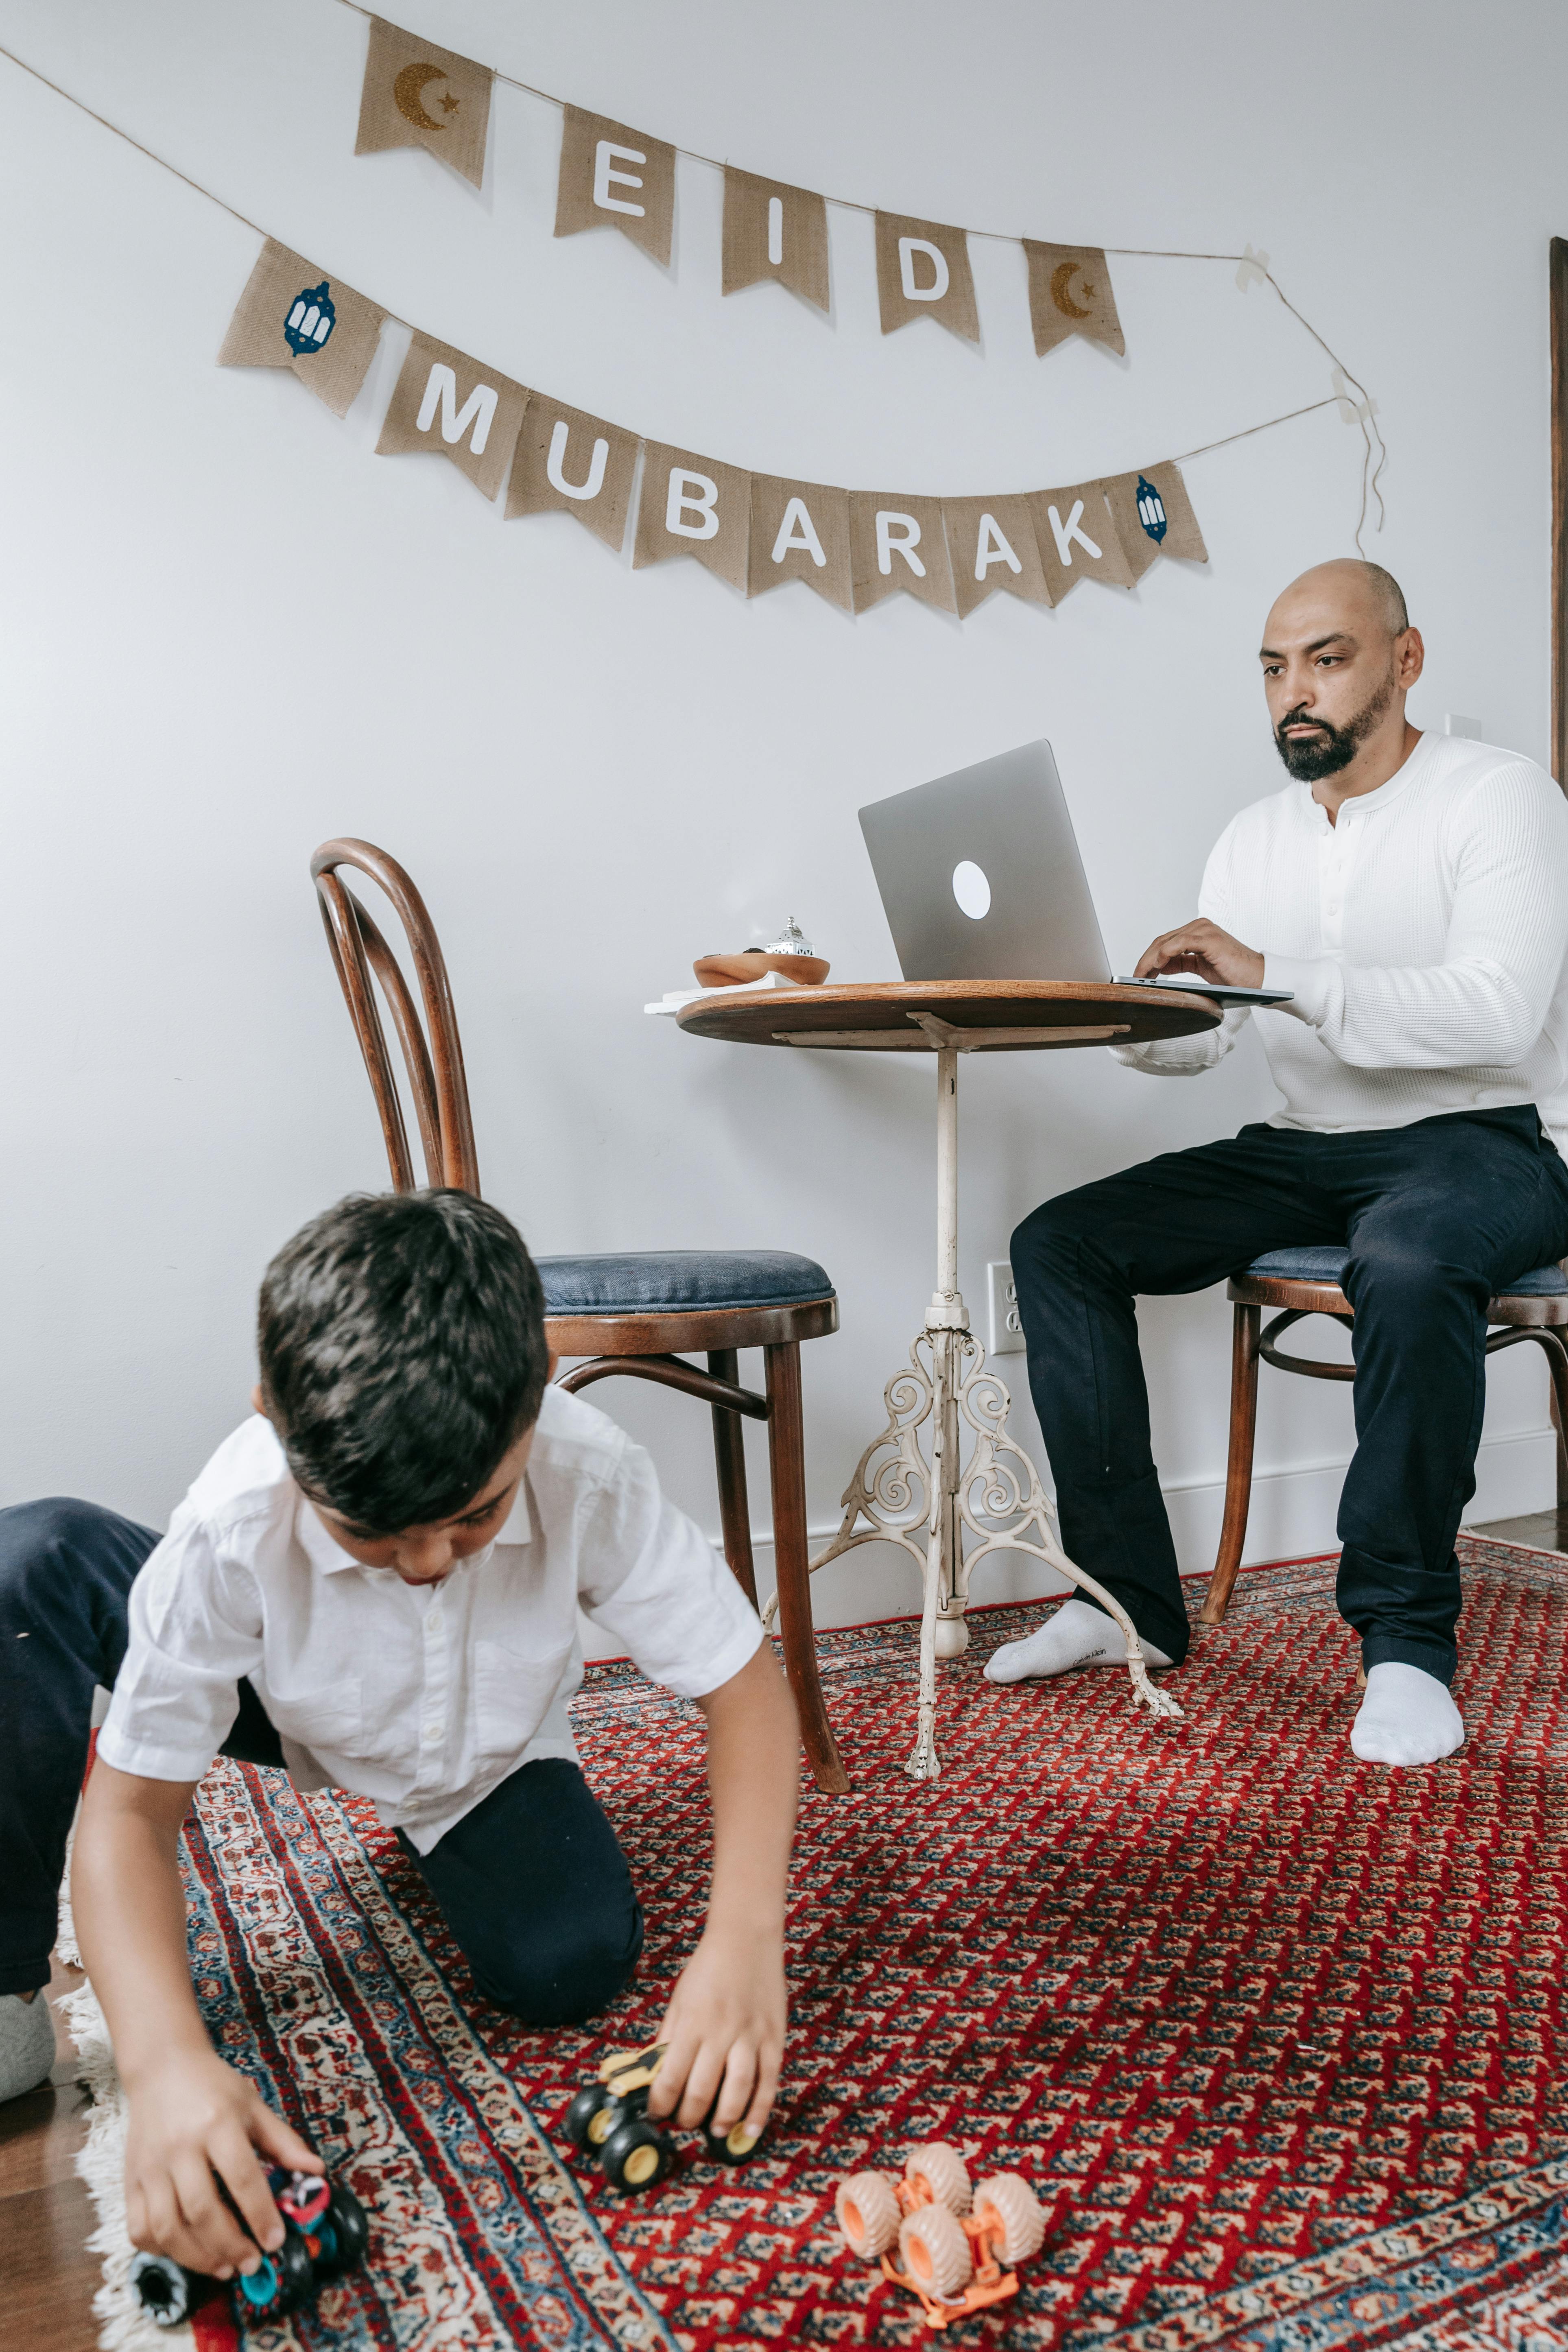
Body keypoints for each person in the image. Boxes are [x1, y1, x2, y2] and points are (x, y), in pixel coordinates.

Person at [0, 1189, 798, 2292]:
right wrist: (165, 2063)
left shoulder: (590, 1470)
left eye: (475, 1518)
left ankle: (442, 1830)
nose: (428, 1563)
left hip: (478, 1754)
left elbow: (746, 1692)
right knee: (24, 1569)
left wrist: (746, 1940)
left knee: (566, 1966)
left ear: (534, 1411)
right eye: (374, 1533)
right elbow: (132, 1814)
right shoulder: (232, 1527)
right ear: (273, 1418)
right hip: (275, 1689)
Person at [987, 559, 1568, 1768]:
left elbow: (1497, 1014)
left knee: (1404, 1260)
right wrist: (1141, 1016)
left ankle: (1405, 1644)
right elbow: (1218, 1045)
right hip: (1307, 1148)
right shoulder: (1253, 837)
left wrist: (1276, 973)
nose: (1292, 693)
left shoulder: (1503, 796)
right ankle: (1124, 1601)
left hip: (1487, 1139)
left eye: (1326, 659)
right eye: (1272, 667)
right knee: (1059, 1240)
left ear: (1405, 663)